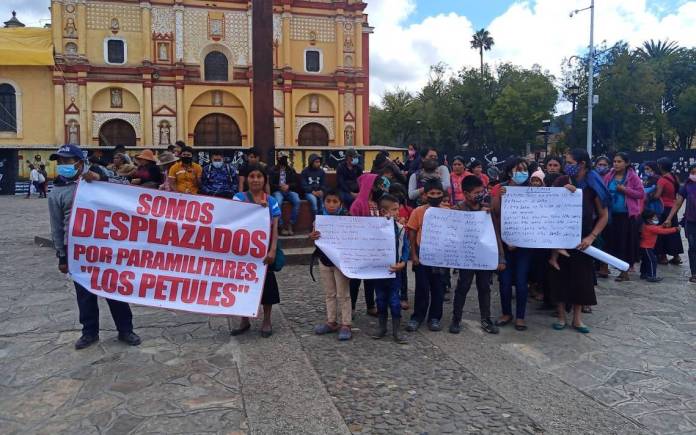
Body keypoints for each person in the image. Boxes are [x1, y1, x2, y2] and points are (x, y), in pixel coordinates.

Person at [47, 144, 141, 349]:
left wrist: (100, 179)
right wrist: (62, 256)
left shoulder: (99, 177)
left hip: (105, 247)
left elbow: (126, 185)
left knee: (113, 289)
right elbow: (56, 227)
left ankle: (126, 330)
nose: (63, 165)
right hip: (78, 251)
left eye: (68, 161)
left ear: (80, 162)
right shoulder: (56, 192)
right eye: (60, 162)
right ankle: (89, 332)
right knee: (84, 294)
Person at [548, 148, 610, 334]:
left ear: (581, 164)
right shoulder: (560, 181)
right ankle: (560, 316)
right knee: (558, 276)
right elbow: (547, 206)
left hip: (582, 240)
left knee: (581, 278)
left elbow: (603, 215)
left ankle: (577, 318)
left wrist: (591, 237)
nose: (567, 166)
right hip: (559, 238)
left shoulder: (593, 184)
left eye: (570, 163)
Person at [450, 175, 506, 335]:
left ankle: (486, 319)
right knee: (462, 287)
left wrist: (500, 257)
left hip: (484, 258)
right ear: (466, 194)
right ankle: (456, 318)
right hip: (466, 258)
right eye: (477, 192)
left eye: (482, 191)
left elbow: (495, 234)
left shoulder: (487, 210)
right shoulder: (458, 210)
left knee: (484, 288)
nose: (481, 195)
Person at [231, 164, 280, 338]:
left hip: (264, 251)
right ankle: (244, 319)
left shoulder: (272, 201)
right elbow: (233, 218)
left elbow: (275, 227)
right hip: (242, 252)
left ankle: (267, 320)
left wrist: (273, 249)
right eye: (252, 176)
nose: (255, 180)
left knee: (268, 287)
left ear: (264, 180)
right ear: (247, 180)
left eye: (259, 176)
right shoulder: (238, 198)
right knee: (242, 286)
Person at [491, 157, 533, 331]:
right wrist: (499, 197)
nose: (522, 172)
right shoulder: (500, 189)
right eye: (518, 169)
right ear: (509, 172)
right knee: (505, 281)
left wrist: (570, 189)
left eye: (525, 169)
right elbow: (494, 213)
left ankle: (521, 317)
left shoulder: (533, 190)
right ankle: (506, 313)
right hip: (504, 244)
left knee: (522, 282)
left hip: (524, 246)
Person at [310, 189, 352, 341]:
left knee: (343, 294)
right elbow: (315, 237)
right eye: (328, 201)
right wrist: (312, 236)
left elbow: (353, 238)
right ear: (324, 202)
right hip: (324, 260)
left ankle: (346, 324)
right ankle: (331, 321)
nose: (331, 205)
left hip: (341, 262)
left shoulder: (347, 218)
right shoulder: (319, 218)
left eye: (335, 201)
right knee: (329, 293)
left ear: (340, 203)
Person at [406, 179, 448, 332]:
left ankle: (435, 318)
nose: (435, 196)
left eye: (438, 193)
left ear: (443, 195)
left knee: (438, 288)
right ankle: (417, 317)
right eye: (432, 193)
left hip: (441, 257)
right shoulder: (418, 211)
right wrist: (414, 255)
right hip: (422, 256)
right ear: (425, 195)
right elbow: (412, 232)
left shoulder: (448, 212)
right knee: (422, 288)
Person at [371, 194, 410, 343]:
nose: (397, 213)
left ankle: (396, 330)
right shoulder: (373, 228)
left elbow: (406, 246)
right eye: (394, 210)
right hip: (379, 272)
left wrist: (403, 262)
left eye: (397, 209)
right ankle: (382, 327)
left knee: (394, 300)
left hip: (395, 271)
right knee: (380, 299)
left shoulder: (400, 229)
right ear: (383, 211)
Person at [603, 152, 644, 282]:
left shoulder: (633, 177)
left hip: (626, 216)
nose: (616, 164)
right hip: (610, 214)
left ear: (626, 163)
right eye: (614, 161)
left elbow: (641, 193)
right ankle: (607, 267)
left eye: (619, 161)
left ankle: (624, 271)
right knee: (611, 242)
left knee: (625, 244)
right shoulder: (609, 176)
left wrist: (626, 190)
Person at [348, 173, 384, 316]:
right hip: (359, 248)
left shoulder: (376, 203)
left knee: (371, 279)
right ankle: (351, 307)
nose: (378, 188)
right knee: (355, 280)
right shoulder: (358, 204)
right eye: (376, 184)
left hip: (373, 248)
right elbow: (352, 225)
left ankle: (370, 305)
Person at [664, 164, 696, 283]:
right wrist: (669, 218)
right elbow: (678, 203)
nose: (694, 175)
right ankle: (694, 273)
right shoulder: (687, 186)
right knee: (693, 248)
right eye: (692, 173)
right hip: (691, 222)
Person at [654, 157, 684, 265]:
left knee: (661, 233)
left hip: (663, 209)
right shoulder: (674, 177)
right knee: (673, 232)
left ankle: (663, 257)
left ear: (661, 166)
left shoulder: (662, 180)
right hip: (673, 209)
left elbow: (657, 195)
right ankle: (676, 256)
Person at [390, 183, 413, 310]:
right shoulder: (387, 210)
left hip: (403, 245)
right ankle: (391, 296)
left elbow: (411, 226)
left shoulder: (409, 209)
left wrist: (404, 224)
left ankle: (403, 297)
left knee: (403, 273)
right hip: (389, 248)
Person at [639, 210, 679, 282]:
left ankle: (643, 274)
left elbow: (658, 228)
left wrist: (662, 226)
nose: (656, 218)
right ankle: (651, 276)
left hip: (645, 248)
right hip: (647, 248)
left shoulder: (647, 226)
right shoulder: (650, 228)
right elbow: (663, 231)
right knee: (652, 261)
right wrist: (675, 229)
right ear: (649, 219)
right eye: (654, 217)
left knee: (645, 261)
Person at [270, 152, 300, 236]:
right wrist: (279, 186)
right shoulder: (273, 170)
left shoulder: (291, 170)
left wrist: (288, 186)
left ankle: (291, 224)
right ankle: (281, 225)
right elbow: (270, 184)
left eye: (285, 158)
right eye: (282, 158)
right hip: (278, 191)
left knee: (297, 200)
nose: (284, 160)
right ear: (278, 159)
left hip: (289, 191)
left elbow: (296, 183)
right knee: (278, 202)